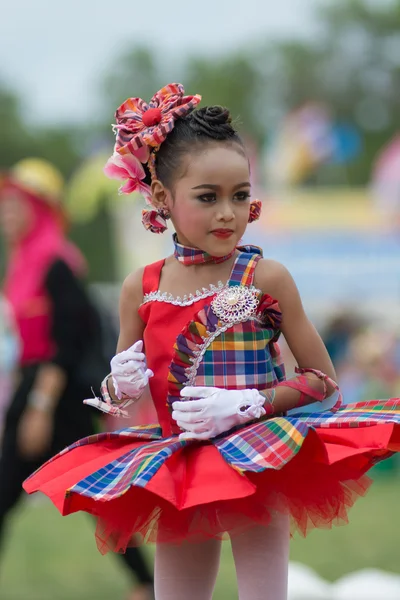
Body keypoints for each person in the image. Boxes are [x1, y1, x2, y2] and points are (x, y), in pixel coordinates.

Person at [23, 85, 400, 600]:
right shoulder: (142, 286)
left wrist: (251, 403)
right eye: (208, 197)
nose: (228, 212)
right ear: (160, 197)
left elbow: (325, 383)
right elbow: (119, 396)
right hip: (182, 465)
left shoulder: (265, 276)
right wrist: (120, 383)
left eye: (240, 195)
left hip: (258, 457)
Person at [0, 159, 154, 600]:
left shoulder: (56, 263)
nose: (7, 215)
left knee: (95, 494)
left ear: (41, 208)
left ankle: (148, 583)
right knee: (91, 494)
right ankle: (147, 582)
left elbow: (63, 346)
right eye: (4, 206)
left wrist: (39, 408)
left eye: (17, 205)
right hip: (37, 388)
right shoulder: (25, 262)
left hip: (54, 395)